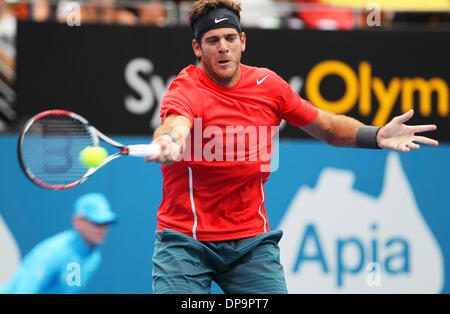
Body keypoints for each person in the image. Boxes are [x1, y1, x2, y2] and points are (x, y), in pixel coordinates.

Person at [145, 0, 438, 294]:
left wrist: (375, 136)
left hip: (250, 243)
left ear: (242, 41)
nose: (223, 47)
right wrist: (170, 140)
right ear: (197, 47)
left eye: (230, 38)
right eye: (212, 40)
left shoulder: (268, 85)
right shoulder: (186, 88)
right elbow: (176, 123)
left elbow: (327, 126)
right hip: (186, 242)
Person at [0, 193, 117, 294]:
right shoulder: (53, 252)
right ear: (77, 221)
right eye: (97, 223)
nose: (102, 229)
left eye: (106, 223)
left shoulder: (94, 258)